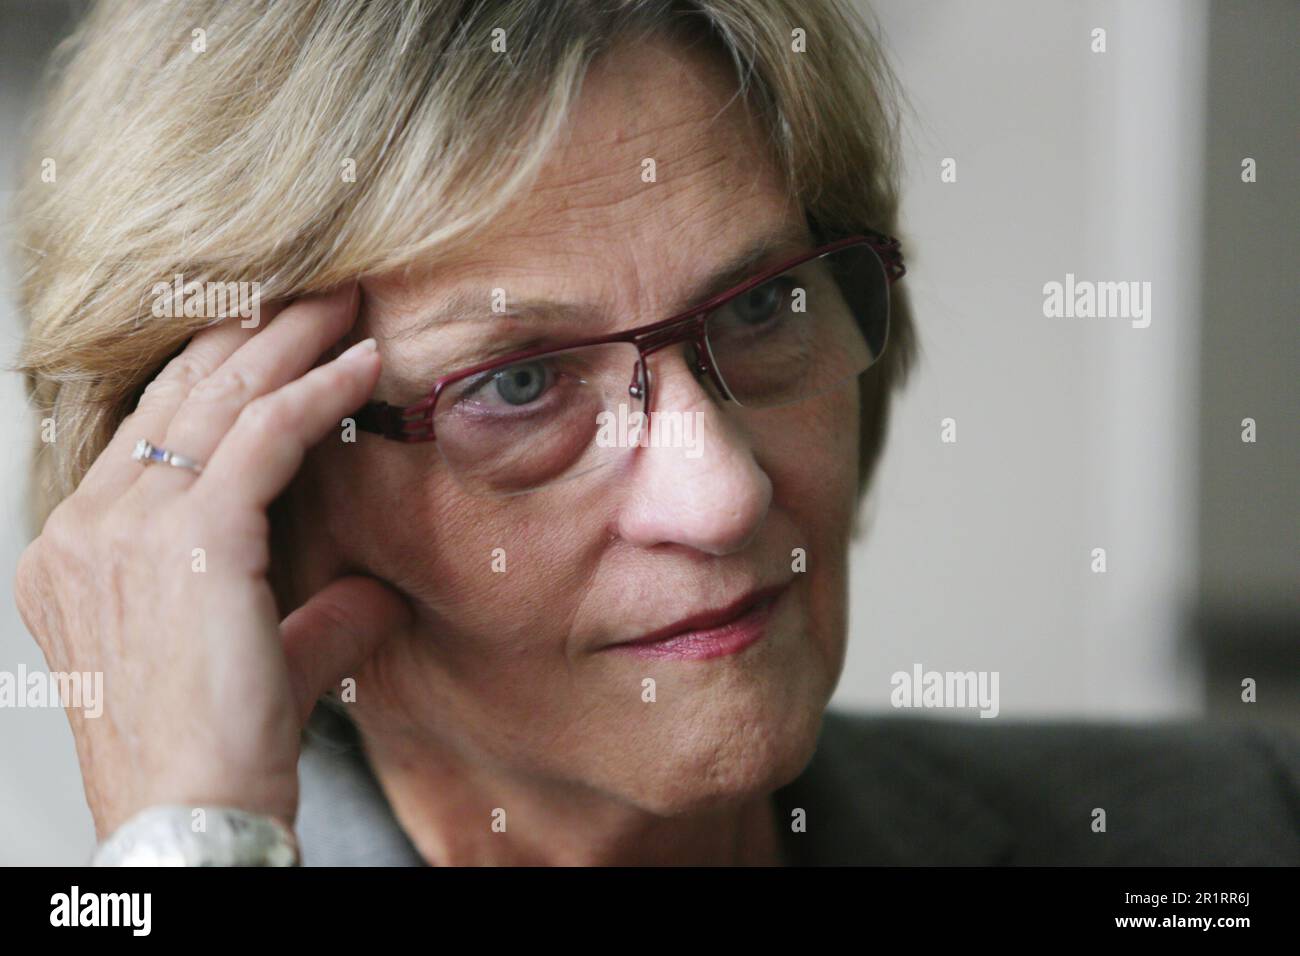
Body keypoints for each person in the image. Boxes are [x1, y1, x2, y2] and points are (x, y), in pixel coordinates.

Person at [11, 0, 1297, 866]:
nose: (722, 494)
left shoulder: (1225, 831)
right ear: (257, 506)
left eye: (757, 305)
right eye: (515, 384)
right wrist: (193, 838)